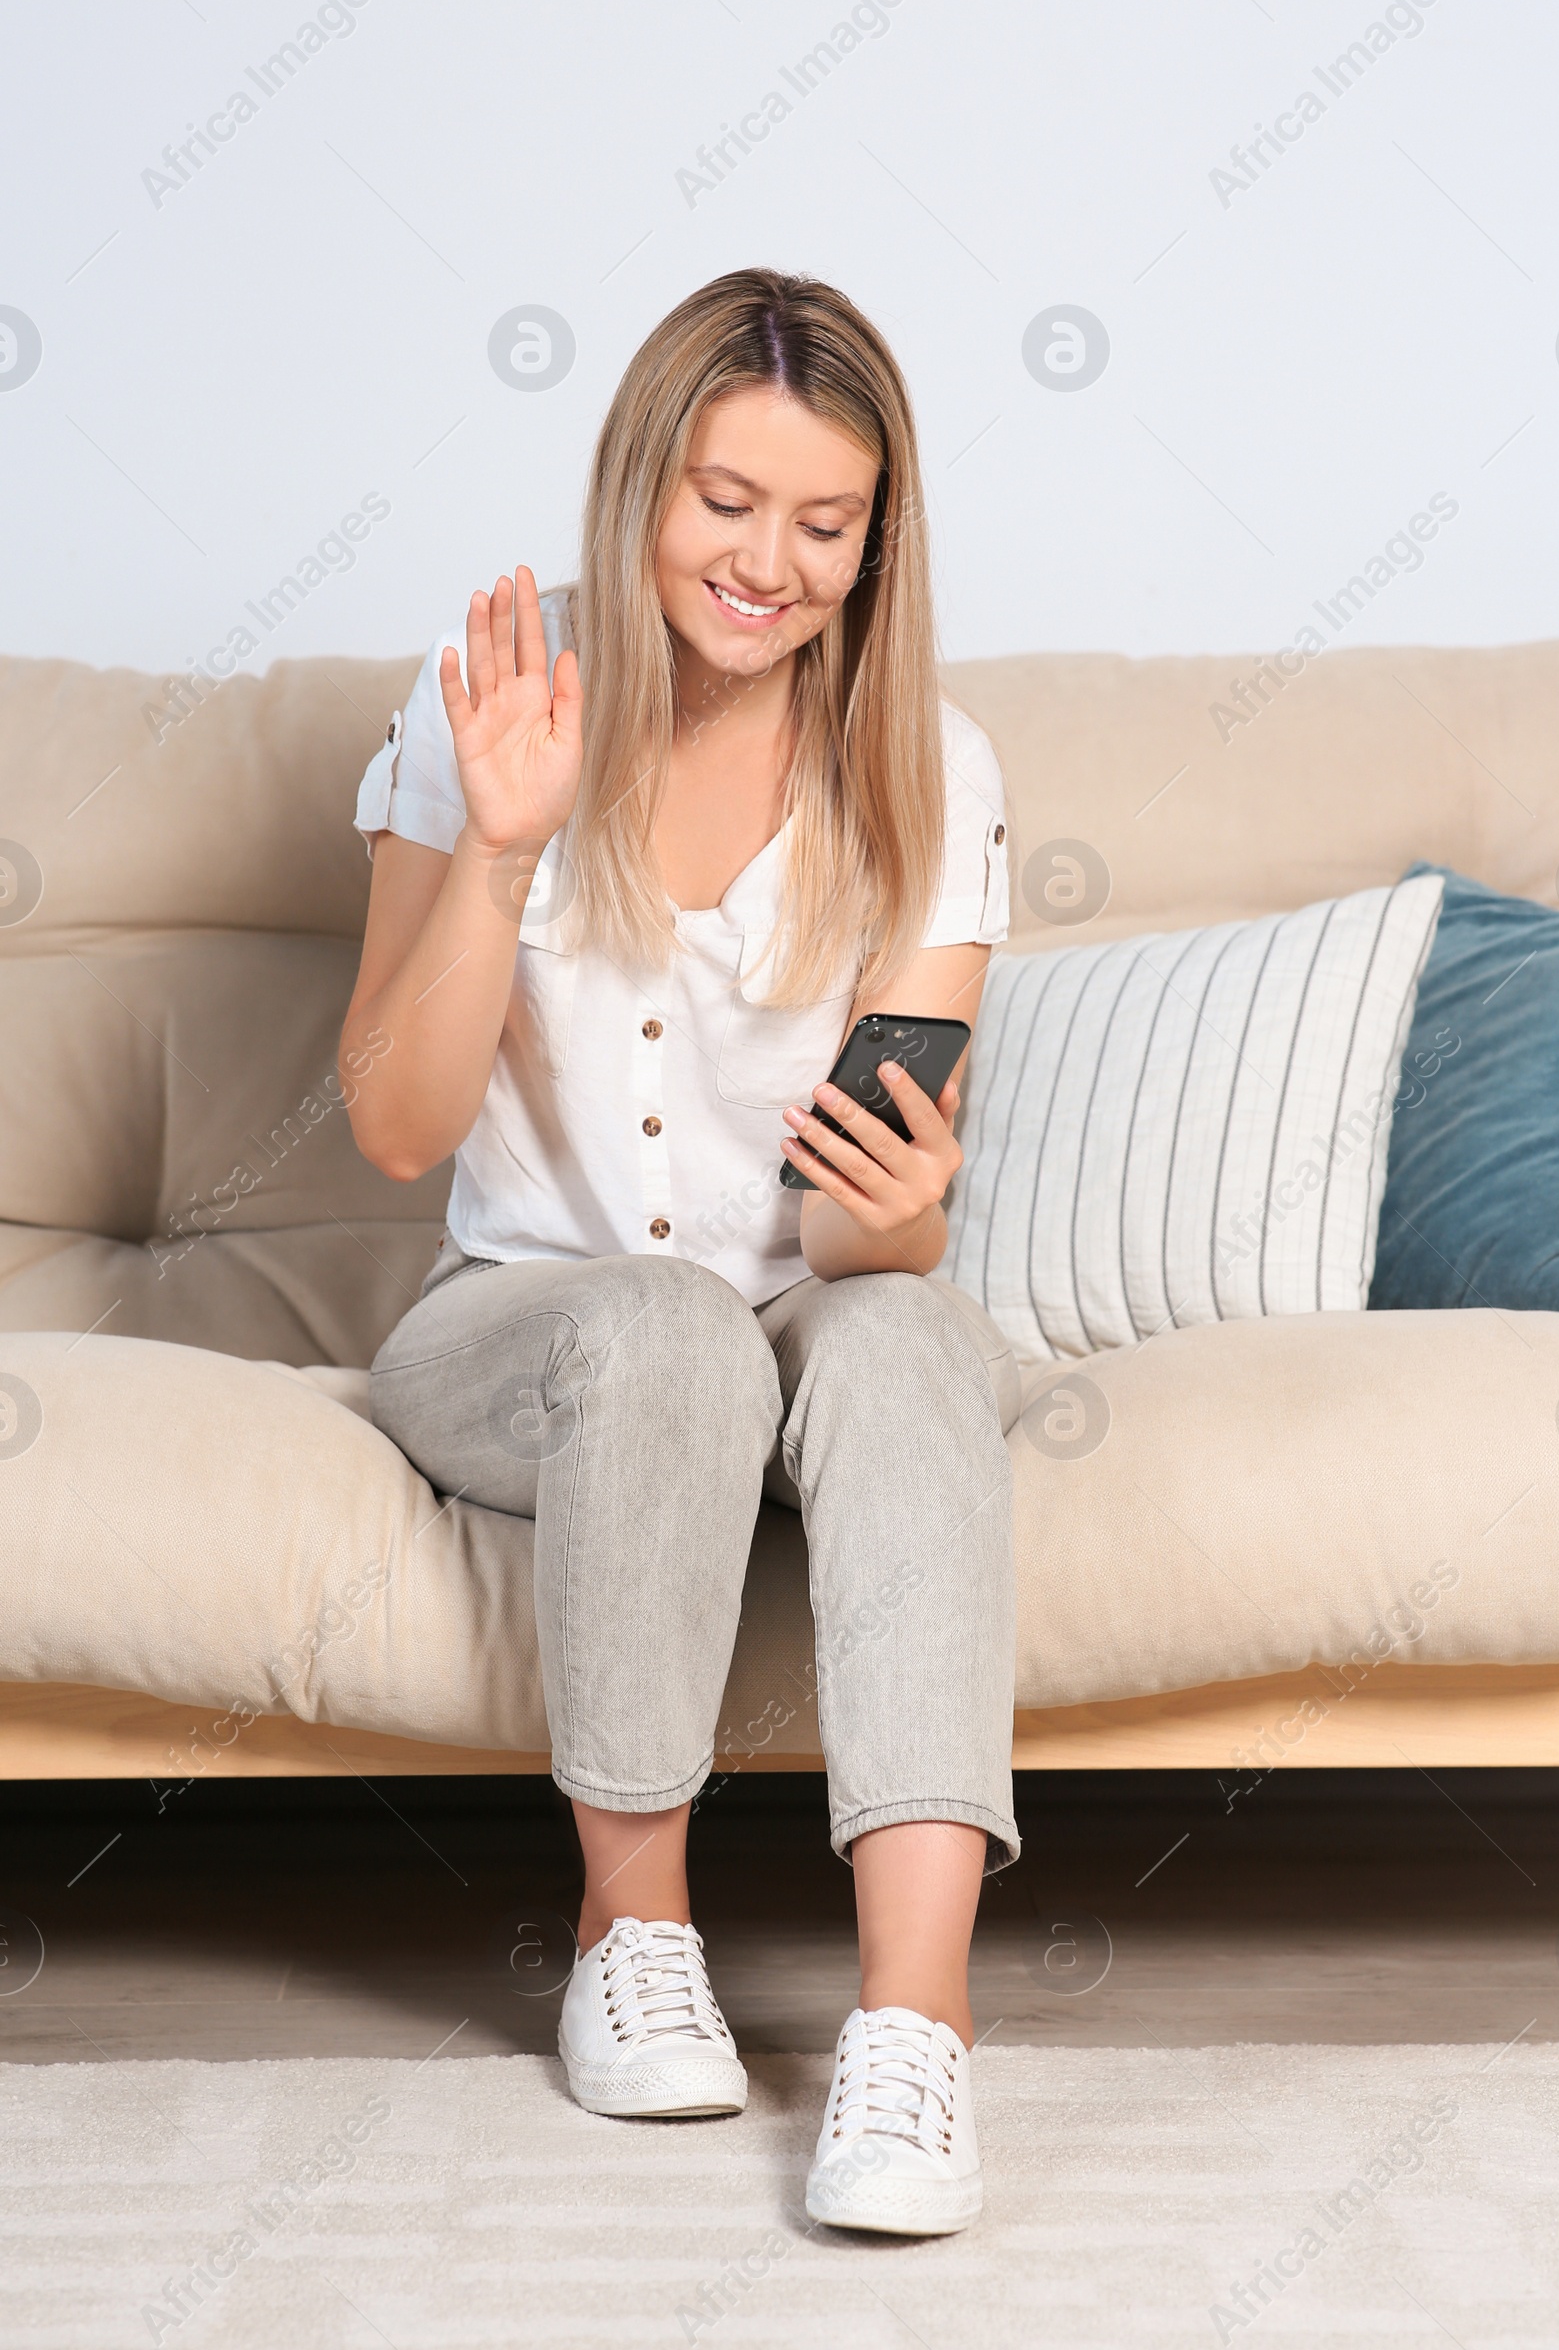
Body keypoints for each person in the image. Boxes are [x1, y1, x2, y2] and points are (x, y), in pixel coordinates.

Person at [342, 268, 1019, 2237]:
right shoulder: (492, 699)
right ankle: (628, 1935)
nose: (769, 563)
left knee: (904, 1343)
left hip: (790, 1314)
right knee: (661, 1327)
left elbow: (855, 1251)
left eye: (824, 525)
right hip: (521, 1327)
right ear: (641, 478)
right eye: (727, 502)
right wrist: (495, 841)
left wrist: (895, 1214)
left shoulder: (929, 770)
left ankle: (916, 2034)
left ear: (873, 538)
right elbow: (393, 1122)